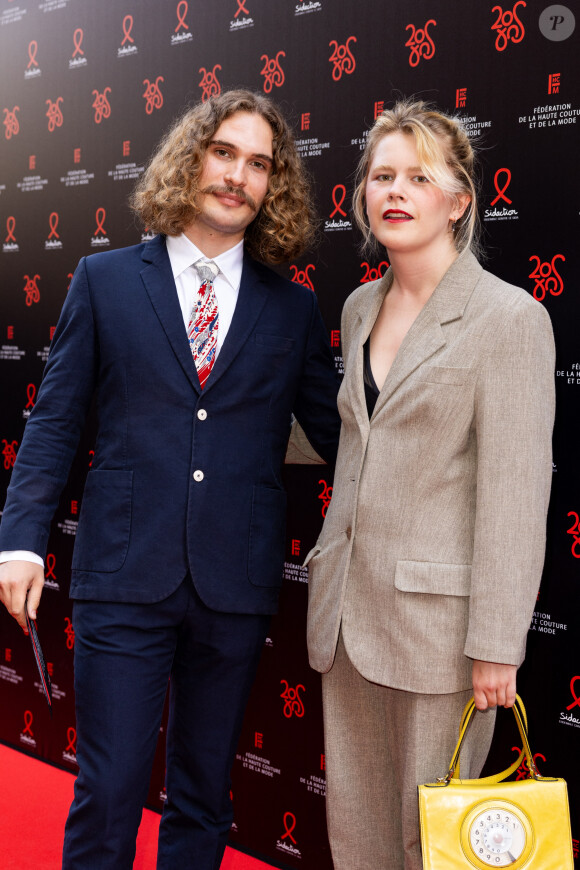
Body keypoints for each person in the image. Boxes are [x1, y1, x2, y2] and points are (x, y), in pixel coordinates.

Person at [0, 89, 340, 870]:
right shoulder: (106, 279)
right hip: (123, 570)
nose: (238, 176)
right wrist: (19, 540)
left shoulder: (292, 309)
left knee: (203, 794)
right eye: (224, 153)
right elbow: (54, 421)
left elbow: (340, 436)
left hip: (235, 581)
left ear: (273, 187)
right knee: (110, 787)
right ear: (191, 162)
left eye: (260, 164)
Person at [304, 100, 555, 870]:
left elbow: (516, 493)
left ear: (459, 200)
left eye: (419, 176)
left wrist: (496, 646)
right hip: (346, 615)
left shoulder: (508, 319)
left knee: (431, 845)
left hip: (442, 637)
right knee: (357, 832)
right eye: (382, 175)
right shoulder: (359, 306)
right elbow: (360, 441)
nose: (395, 190)